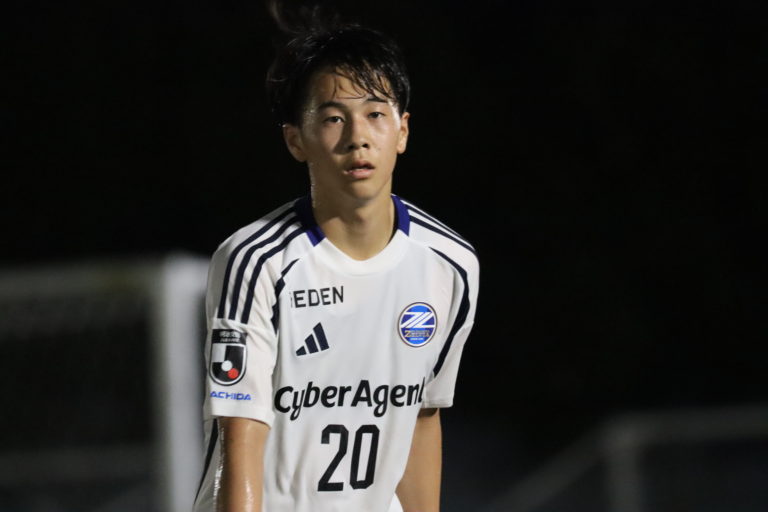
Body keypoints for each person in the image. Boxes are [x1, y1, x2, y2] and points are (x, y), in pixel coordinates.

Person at [193, 8, 479, 512]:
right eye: (333, 118)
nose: (357, 137)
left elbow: (422, 415)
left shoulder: (450, 264)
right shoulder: (254, 262)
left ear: (403, 131)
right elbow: (241, 434)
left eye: (375, 114)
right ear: (295, 140)